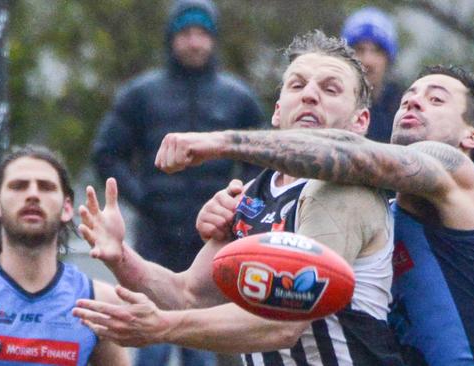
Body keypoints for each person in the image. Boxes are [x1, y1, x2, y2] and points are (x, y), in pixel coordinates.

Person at [151, 62, 474, 365]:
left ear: (471, 137)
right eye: (409, 97)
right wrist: (232, 221)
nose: (412, 102)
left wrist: (218, 142)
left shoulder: (459, 173)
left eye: (436, 99)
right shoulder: (378, 210)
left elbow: (354, 155)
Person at [73, 30, 404, 365]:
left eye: (330, 88)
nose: (309, 96)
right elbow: (187, 296)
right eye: (297, 85)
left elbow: (286, 321)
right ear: (277, 111)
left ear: (360, 121)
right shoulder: (251, 195)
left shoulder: (347, 189)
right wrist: (120, 256)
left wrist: (164, 327)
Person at [92, 0, 264, 363]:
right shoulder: (141, 94)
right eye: (186, 33)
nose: (195, 42)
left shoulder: (237, 97)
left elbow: (261, 160)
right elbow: (107, 153)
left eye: (203, 33)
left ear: (213, 40)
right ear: (172, 39)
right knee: (149, 343)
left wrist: (239, 203)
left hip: (212, 240)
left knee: (199, 342)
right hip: (155, 237)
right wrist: (142, 199)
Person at [0, 145, 129, 365]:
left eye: (46, 187)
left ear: (67, 208)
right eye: (18, 186)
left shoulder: (97, 303)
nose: (33, 194)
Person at [341, 6, 404, 143]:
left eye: (377, 51)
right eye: (359, 50)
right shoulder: (330, 102)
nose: (367, 60)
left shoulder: (403, 108)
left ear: (388, 58)